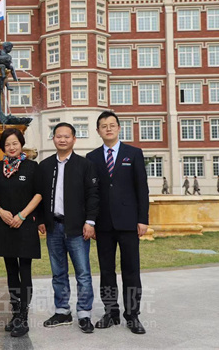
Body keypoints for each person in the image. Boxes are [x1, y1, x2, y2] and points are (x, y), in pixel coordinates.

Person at [86, 111, 149, 335]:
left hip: (129, 223)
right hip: (103, 224)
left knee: (131, 270)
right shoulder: (92, 157)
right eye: (104, 126)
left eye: (112, 125)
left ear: (119, 128)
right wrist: (91, 222)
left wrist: (143, 219)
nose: (108, 129)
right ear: (98, 131)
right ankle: (111, 312)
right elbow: (91, 192)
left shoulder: (133, 153)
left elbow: (142, 188)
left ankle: (132, 315)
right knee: (106, 270)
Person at [37, 122, 98, 334]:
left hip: (78, 228)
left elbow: (93, 195)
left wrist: (90, 222)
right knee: (58, 272)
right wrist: (41, 220)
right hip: (54, 227)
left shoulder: (85, 165)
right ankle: (62, 311)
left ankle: (84, 313)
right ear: (53, 138)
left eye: (66, 136)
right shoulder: (45, 166)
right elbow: (39, 196)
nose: (62, 139)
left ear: (74, 139)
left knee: (83, 273)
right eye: (58, 136)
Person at [0, 128, 42, 337]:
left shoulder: (32, 167)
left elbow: (39, 194)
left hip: (24, 224)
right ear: (3, 147)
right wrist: (0, 211)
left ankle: (23, 316)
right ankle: (15, 313)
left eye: (15, 143)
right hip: (4, 224)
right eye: (7, 144)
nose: (11, 147)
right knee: (11, 270)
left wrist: (22, 215)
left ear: (21, 144)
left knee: (25, 269)